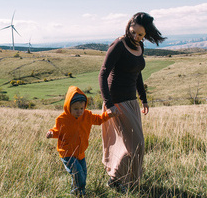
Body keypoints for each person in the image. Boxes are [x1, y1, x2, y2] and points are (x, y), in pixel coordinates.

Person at [98, 12, 165, 191]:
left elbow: (137, 74)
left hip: (131, 102)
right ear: (128, 26)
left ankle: (120, 181)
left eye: (140, 34)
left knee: (131, 144)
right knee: (137, 144)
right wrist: (109, 104)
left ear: (146, 35)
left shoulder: (139, 46)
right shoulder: (119, 45)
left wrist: (143, 99)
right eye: (132, 31)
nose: (135, 36)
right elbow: (103, 74)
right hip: (117, 102)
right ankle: (120, 181)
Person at [46, 86, 116, 197]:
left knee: (82, 175)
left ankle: (76, 193)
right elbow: (57, 131)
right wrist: (51, 133)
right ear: (68, 107)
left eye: (81, 108)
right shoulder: (62, 119)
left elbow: (98, 120)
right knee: (79, 175)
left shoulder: (87, 115)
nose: (79, 111)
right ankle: (79, 193)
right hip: (67, 153)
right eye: (76, 109)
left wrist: (108, 114)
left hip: (80, 153)